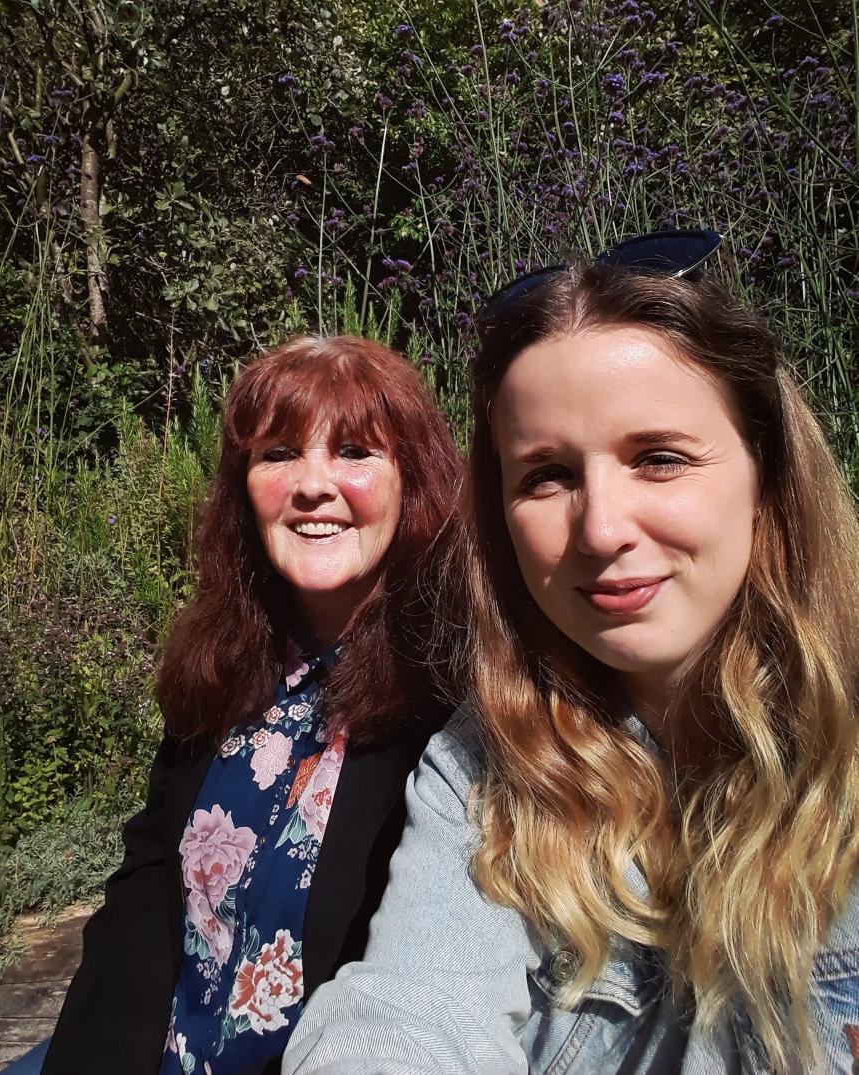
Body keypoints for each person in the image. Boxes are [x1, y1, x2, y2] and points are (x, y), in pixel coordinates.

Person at [283, 233, 859, 1074]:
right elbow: (407, 1010)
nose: (600, 529)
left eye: (659, 458)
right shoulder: (487, 768)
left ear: (765, 473)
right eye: (547, 475)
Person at [41, 334, 463, 1075]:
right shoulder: (224, 666)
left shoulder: (454, 700)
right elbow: (144, 896)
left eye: (355, 451)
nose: (312, 484)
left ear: (413, 478)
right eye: (278, 453)